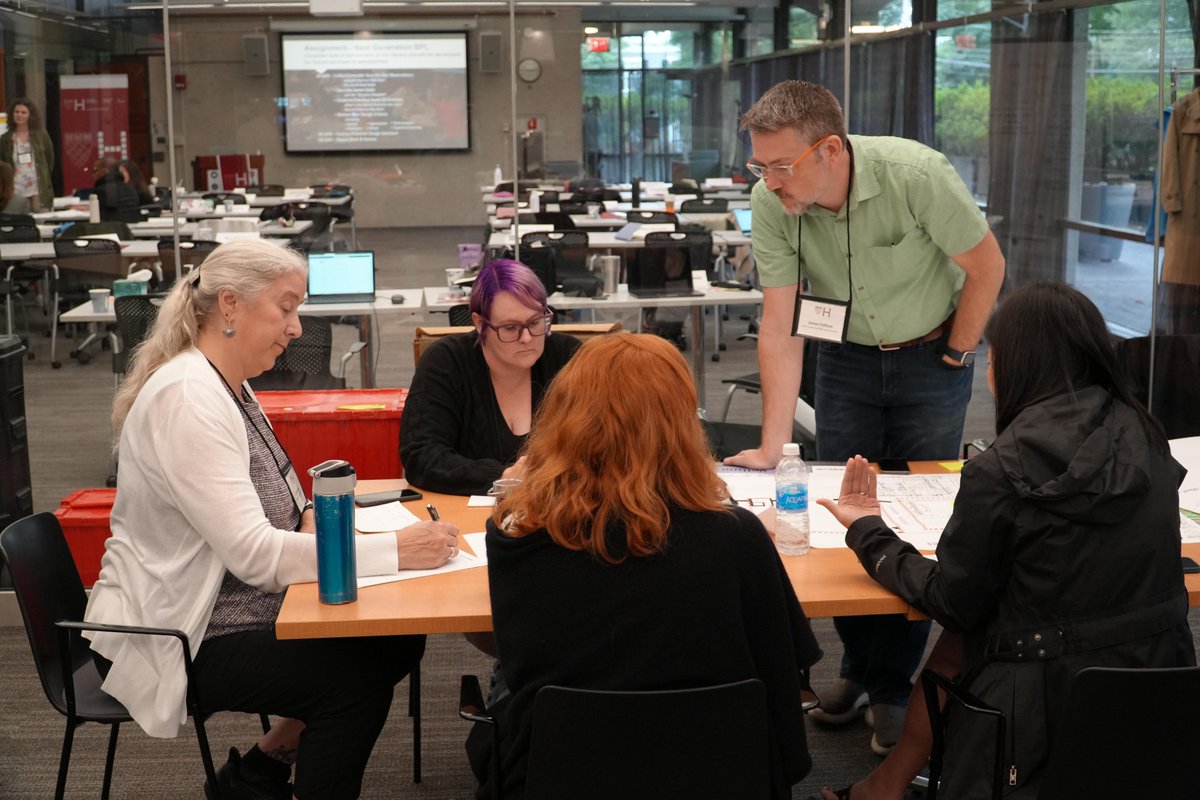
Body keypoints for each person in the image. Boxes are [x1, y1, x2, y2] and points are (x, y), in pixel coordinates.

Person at [84, 239, 461, 800]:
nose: (297, 328)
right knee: (351, 683)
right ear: (230, 305)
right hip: (186, 628)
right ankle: (263, 778)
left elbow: (283, 500)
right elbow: (257, 557)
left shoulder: (228, 385)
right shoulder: (189, 398)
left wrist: (311, 522)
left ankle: (256, 774)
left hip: (226, 602)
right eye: (286, 308)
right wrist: (396, 552)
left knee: (396, 639)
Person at [816, 283, 1196, 799]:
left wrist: (868, 532)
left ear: (1014, 366)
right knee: (966, 638)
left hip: (1040, 696)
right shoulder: (1147, 435)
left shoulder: (1001, 467)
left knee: (960, 636)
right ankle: (884, 786)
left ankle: (883, 788)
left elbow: (953, 600)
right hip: (1158, 680)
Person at [725, 79, 1006, 754]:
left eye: (780, 165)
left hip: (929, 356)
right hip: (845, 358)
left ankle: (889, 684)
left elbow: (986, 266)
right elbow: (780, 322)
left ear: (828, 150)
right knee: (843, 508)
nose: (769, 181)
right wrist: (770, 444)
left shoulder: (915, 175)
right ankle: (862, 667)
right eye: (759, 166)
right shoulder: (773, 201)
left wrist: (958, 353)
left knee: (914, 516)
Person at [476, 333, 822, 800]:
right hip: (721, 772)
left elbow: (513, 656)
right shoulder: (736, 537)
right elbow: (782, 670)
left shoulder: (516, 536)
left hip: (561, 771)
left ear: (563, 419)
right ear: (679, 425)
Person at [399, 258, 581, 496]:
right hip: (465, 517)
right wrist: (505, 478)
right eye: (510, 328)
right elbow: (421, 457)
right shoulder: (447, 361)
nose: (526, 338)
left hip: (557, 513)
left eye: (536, 322)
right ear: (479, 322)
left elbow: (609, 445)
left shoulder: (568, 358)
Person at [0, 98, 54, 212]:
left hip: (38, 190)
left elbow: (50, 160)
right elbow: (3, 165)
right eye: (17, 112)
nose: (20, 115)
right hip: (16, 190)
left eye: (23, 112)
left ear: (30, 115)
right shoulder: (5, 139)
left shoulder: (41, 135)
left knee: (42, 222)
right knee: (19, 222)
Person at [583, 95, 602, 179]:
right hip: (597, 148)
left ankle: (592, 181)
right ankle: (596, 180)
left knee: (589, 170)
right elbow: (599, 131)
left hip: (588, 150)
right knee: (594, 169)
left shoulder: (584, 119)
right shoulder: (595, 118)